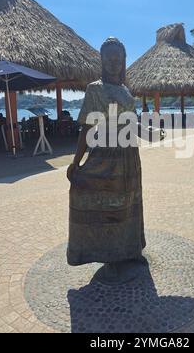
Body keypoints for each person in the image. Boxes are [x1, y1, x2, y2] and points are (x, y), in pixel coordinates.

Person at [67, 38, 146, 267]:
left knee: (129, 204)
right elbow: (86, 127)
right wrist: (76, 162)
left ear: (123, 62)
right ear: (102, 60)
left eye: (118, 60)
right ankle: (106, 252)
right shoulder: (95, 89)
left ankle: (130, 250)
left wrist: (147, 131)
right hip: (104, 156)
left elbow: (131, 123)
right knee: (106, 206)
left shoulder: (125, 90)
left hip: (130, 156)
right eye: (109, 59)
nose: (114, 63)